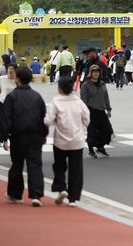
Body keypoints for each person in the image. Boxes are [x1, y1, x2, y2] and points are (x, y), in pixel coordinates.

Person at [0, 67, 48, 206]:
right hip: (35, 135)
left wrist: (4, 137)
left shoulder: (12, 96)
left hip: (18, 135)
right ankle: (36, 195)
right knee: (35, 164)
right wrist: (44, 133)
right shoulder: (37, 96)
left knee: (17, 164)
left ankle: (16, 194)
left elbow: (6, 118)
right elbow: (43, 116)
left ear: (18, 79)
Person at [45, 76, 90, 207]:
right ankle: (73, 198)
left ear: (59, 88)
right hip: (77, 140)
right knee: (76, 169)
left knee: (59, 166)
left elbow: (49, 120)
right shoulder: (79, 102)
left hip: (60, 141)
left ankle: (62, 188)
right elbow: (87, 119)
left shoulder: (56, 101)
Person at [80, 65, 113, 158]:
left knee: (107, 130)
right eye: (94, 72)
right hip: (91, 111)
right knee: (92, 132)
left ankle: (100, 147)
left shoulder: (102, 83)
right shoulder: (86, 85)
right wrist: (84, 113)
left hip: (101, 110)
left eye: (97, 72)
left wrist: (108, 109)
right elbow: (83, 101)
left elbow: (106, 97)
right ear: (90, 73)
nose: (96, 73)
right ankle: (91, 150)